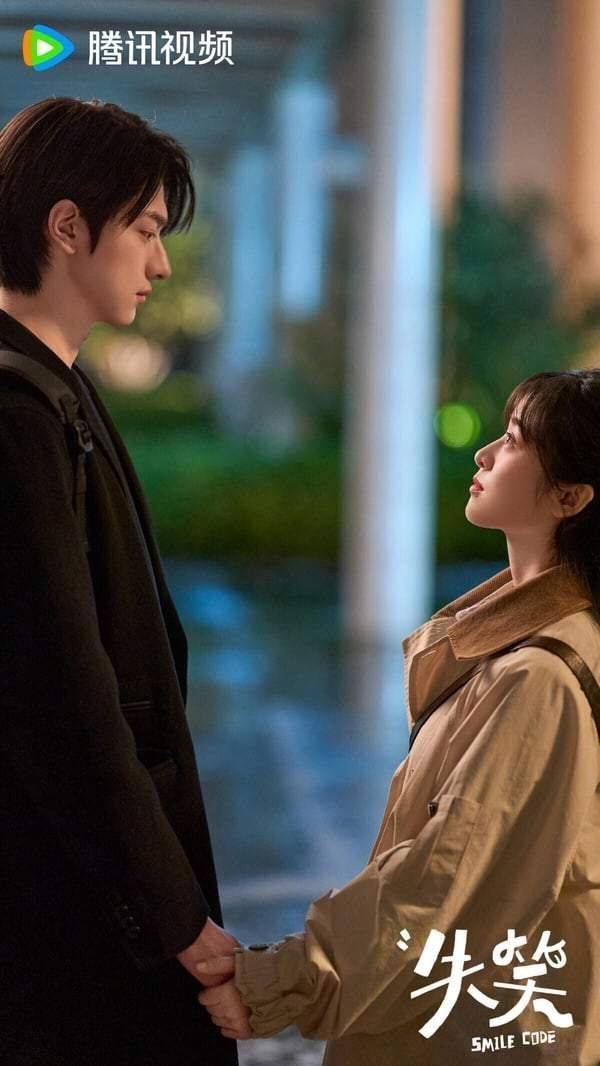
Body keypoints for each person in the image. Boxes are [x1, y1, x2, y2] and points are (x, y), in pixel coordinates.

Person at [196, 369, 600, 1065]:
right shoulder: (520, 647)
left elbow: (441, 880)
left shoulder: (540, 674)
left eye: (513, 440)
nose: (484, 455)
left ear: (571, 495)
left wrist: (282, 984)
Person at [0, 97, 238, 1066]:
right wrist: (170, 911)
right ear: (67, 226)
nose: (162, 262)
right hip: (68, 901)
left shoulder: (53, 384)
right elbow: (63, 693)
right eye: (144, 229)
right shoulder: (16, 410)